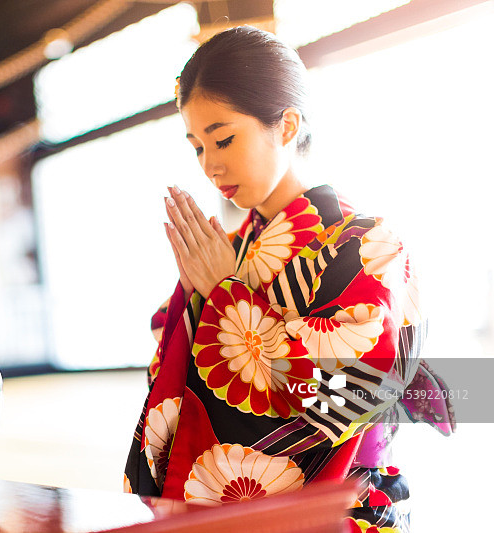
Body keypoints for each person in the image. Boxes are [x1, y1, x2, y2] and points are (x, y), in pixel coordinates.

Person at [123, 26, 454, 533]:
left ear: (286, 125)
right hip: (234, 509)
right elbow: (177, 362)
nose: (211, 165)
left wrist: (223, 296)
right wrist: (199, 299)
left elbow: (355, 388)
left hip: (341, 507)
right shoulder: (235, 248)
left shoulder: (368, 243)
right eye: (196, 147)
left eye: (223, 138)